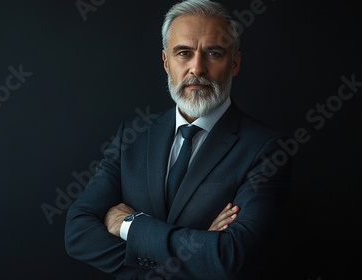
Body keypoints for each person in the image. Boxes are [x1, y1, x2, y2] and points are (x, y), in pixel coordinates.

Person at [64, 0, 291, 279]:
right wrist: (198, 249)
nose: (197, 68)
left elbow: (230, 257)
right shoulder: (132, 136)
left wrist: (130, 225)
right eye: (184, 52)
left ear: (234, 63)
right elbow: (78, 232)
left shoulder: (266, 149)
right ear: (166, 62)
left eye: (213, 53)